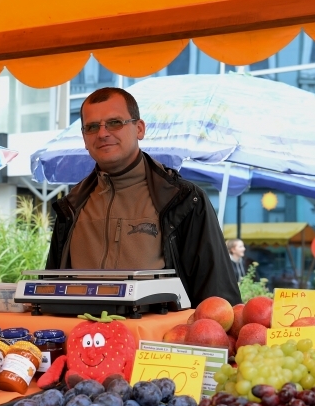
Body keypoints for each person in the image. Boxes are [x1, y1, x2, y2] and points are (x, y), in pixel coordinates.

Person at [46, 87, 242, 306]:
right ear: (84, 137)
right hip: (81, 338)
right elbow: (50, 293)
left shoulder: (185, 201)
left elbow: (218, 302)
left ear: (139, 129)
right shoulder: (70, 208)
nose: (102, 133)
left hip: (157, 339)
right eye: (92, 127)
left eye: (114, 123)